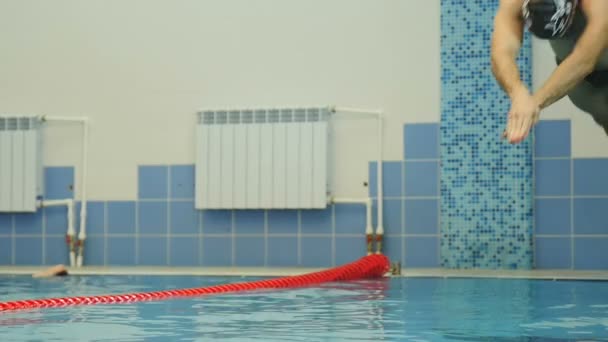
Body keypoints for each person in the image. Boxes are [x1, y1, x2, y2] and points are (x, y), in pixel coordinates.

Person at [491, 0, 608, 143]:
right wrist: (518, 93)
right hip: (586, 87)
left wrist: (534, 103)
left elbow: (584, 60)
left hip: (586, 64)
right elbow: (501, 53)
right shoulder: (514, 2)